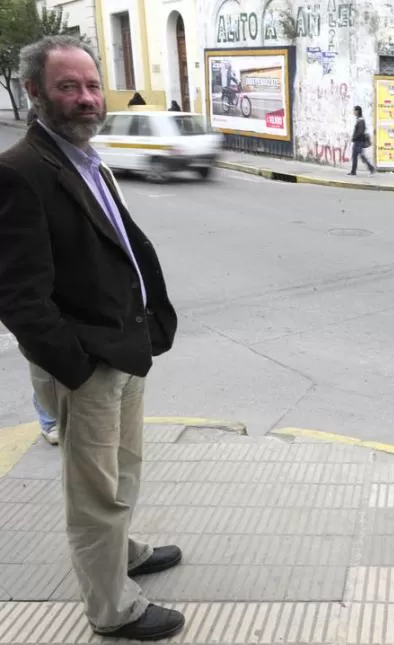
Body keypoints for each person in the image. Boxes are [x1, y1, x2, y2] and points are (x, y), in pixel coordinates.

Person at [0, 36, 184, 640]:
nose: (85, 99)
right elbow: (19, 296)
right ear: (34, 92)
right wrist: (76, 368)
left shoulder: (87, 158)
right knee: (93, 493)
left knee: (124, 467)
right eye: (68, 87)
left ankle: (123, 552)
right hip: (87, 363)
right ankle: (113, 609)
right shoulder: (21, 172)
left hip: (123, 349)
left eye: (91, 86)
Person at [349, 105, 375, 175]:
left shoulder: (361, 120)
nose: (353, 112)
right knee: (357, 156)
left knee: (360, 156)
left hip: (358, 141)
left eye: (354, 110)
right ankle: (353, 171)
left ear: (357, 111)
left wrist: (354, 138)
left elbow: (360, 132)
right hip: (358, 141)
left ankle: (371, 168)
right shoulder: (359, 119)